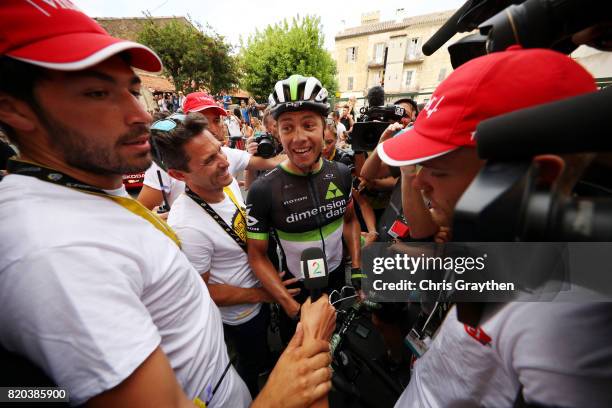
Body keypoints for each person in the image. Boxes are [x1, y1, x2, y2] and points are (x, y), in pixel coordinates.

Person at [0, 2, 334, 407]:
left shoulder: (86, 189)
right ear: (13, 108)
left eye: (133, 90)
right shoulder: (54, 251)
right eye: (97, 93)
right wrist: (284, 387)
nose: (140, 114)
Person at [377, 47, 612, 407]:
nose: (421, 182)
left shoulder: (566, 319)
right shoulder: (516, 236)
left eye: (438, 171)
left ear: (537, 178)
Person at [152, 113, 298, 398]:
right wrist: (263, 295)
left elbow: (260, 165)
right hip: (242, 314)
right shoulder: (187, 227)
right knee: (251, 362)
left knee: (264, 350)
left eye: (219, 149)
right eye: (208, 160)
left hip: (263, 289)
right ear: (178, 175)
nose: (224, 161)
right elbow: (203, 291)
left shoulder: (223, 178)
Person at [246, 74, 362, 340]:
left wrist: (356, 267)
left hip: (336, 280)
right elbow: (256, 255)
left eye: (308, 125)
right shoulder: (263, 190)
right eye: (287, 128)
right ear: (277, 132)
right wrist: (291, 307)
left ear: (325, 128)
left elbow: (351, 221)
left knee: (337, 345)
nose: (298, 138)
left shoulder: (342, 174)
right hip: (297, 292)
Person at [137, 92, 284, 210]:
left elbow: (274, 162)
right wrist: (167, 220)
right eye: (202, 121)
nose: (224, 163)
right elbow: (141, 214)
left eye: (216, 120)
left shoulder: (227, 153)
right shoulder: (165, 164)